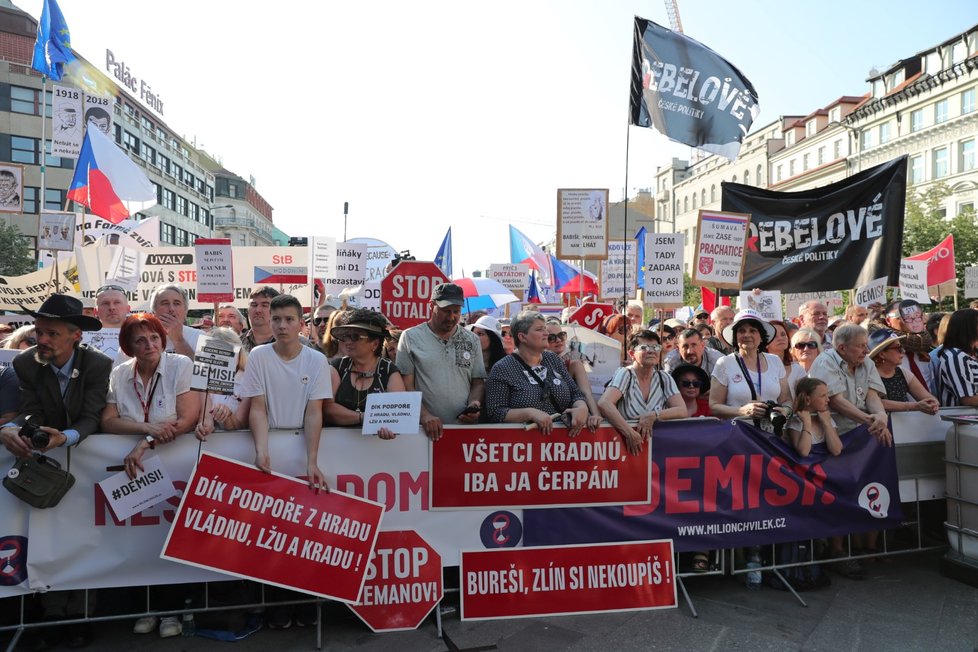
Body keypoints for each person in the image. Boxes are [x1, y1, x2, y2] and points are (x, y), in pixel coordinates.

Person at [0, 295, 111, 649]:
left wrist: (67, 437)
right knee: (46, 534)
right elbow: (31, 410)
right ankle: (51, 612)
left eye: (51, 334)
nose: (41, 340)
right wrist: (14, 429)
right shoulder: (25, 363)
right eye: (39, 332)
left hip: (85, 459)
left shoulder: (98, 365)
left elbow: (92, 416)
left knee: (86, 537)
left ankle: (82, 613)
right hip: (45, 465)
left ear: (75, 335)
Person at [239, 294, 331, 489]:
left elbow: (314, 412)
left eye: (289, 319)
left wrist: (312, 461)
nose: (282, 325)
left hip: (300, 446)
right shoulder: (257, 356)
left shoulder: (317, 360)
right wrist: (261, 451)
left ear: (301, 324)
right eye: (276, 319)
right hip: (268, 443)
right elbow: (258, 408)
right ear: (270, 322)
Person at [102, 314, 201, 478]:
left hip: (176, 462)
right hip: (130, 467)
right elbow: (107, 422)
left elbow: (188, 420)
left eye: (154, 337)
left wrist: (145, 443)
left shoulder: (181, 365)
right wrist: (147, 428)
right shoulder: (119, 373)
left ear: (162, 340)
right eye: (140, 340)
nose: (150, 345)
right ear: (129, 346)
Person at [397, 283, 485, 440]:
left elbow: (477, 381)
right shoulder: (410, 337)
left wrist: (474, 404)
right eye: (446, 311)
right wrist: (424, 415)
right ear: (431, 306)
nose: (451, 317)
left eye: (456, 311)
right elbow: (405, 384)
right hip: (422, 432)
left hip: (462, 430)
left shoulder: (471, 339)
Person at [486, 310, 589, 435]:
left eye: (545, 328)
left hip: (562, 444)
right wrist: (530, 413)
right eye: (540, 329)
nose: (546, 333)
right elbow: (495, 412)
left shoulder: (553, 359)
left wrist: (581, 408)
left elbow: (575, 393)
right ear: (522, 337)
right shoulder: (502, 368)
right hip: (522, 446)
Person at [597, 329, 686, 453]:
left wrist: (654, 415)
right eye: (644, 347)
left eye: (655, 347)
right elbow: (604, 403)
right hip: (625, 447)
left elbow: (682, 410)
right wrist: (629, 433)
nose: (651, 351)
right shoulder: (625, 373)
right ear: (631, 353)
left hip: (657, 449)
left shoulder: (664, 377)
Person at [323, 308, 404, 439]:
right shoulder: (337, 367)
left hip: (377, 449)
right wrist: (363, 418)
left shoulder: (389, 371)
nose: (348, 342)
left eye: (355, 337)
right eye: (346, 336)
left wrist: (389, 428)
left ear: (375, 344)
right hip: (337, 446)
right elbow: (327, 408)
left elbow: (396, 415)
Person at [807, 323, 891, 443]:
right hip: (834, 437)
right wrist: (872, 422)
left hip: (862, 431)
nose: (866, 351)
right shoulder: (825, 363)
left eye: (866, 345)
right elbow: (836, 401)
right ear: (842, 348)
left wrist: (881, 416)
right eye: (861, 346)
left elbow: (871, 395)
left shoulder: (867, 362)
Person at [709, 310, 790, 428]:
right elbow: (714, 406)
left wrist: (785, 412)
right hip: (739, 435)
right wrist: (742, 411)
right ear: (735, 336)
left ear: (762, 337)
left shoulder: (775, 361)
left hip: (772, 436)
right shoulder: (725, 363)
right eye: (741, 331)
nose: (747, 335)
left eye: (753, 330)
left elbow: (787, 400)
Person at [546, 319, 602, 430]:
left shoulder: (574, 364)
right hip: (545, 424)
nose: (558, 340)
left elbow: (586, 393)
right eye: (551, 338)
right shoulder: (533, 365)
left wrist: (597, 416)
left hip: (572, 423)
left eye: (561, 335)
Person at [869, 329, 940, 415]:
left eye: (902, 347)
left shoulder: (903, 372)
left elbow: (927, 397)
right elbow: (875, 402)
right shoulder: (870, 375)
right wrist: (914, 406)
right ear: (882, 354)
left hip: (903, 425)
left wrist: (932, 403)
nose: (903, 351)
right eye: (898, 348)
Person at [196, 327, 251, 437]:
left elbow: (241, 425)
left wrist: (228, 416)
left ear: (239, 352)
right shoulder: (202, 376)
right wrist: (203, 426)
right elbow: (205, 416)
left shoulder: (250, 380)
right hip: (211, 445)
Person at [785, 377, 843, 457]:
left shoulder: (826, 418)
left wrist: (827, 424)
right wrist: (807, 423)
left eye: (827, 395)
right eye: (823, 396)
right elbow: (804, 452)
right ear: (808, 400)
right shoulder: (796, 422)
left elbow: (836, 450)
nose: (828, 399)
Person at [934, 308, 978, 407]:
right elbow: (967, 398)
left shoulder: (971, 353)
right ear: (968, 327)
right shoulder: (955, 357)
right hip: (962, 420)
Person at [787, 327, 822, 397]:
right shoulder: (786, 371)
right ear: (793, 350)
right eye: (800, 345)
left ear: (818, 349)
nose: (806, 349)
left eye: (811, 345)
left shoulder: (826, 370)